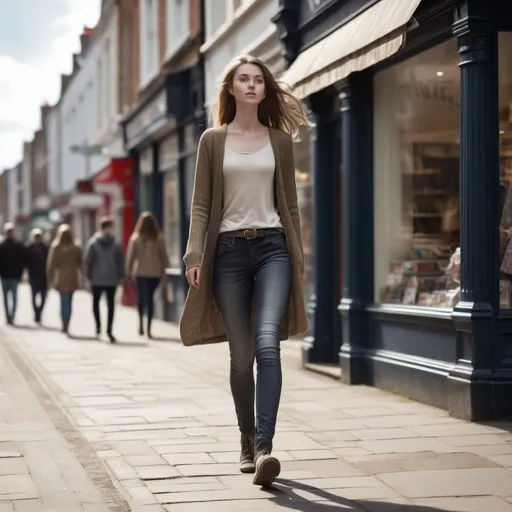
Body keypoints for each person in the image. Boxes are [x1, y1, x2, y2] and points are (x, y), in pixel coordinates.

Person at [179, 54, 309, 487]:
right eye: (243, 79)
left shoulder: (280, 142)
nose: (251, 85)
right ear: (231, 88)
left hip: (273, 248)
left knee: (267, 342)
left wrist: (298, 255)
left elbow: (289, 206)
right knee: (241, 356)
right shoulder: (212, 141)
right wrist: (194, 255)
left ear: (264, 89)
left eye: (258, 79)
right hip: (228, 255)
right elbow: (200, 206)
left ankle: (266, 448)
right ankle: (246, 440)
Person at [126, 212, 169, 338]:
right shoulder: (159, 238)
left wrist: (128, 271)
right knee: (150, 299)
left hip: (140, 273)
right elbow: (164, 256)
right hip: (155, 273)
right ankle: (149, 328)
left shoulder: (135, 238)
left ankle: (140, 323)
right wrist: (167, 268)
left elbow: (131, 256)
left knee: (141, 298)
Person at [84, 216, 124, 342]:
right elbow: (120, 261)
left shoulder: (93, 243)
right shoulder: (116, 243)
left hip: (97, 278)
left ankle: (99, 327)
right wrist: (120, 275)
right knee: (110, 305)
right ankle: (108, 330)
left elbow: (88, 261)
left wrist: (89, 275)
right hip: (111, 278)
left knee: (97, 304)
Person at [46, 224, 83, 335]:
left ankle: (64, 322)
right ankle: (67, 322)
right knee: (69, 302)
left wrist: (50, 278)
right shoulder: (76, 247)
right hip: (72, 278)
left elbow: (51, 264)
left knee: (63, 301)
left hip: (61, 278)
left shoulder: (56, 246)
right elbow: (80, 263)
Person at [0, 222, 27, 324]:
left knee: (7, 297)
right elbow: (23, 261)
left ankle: (9, 316)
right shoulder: (18, 245)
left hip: (7, 275)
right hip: (12, 275)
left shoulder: (3, 246)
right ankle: (11, 316)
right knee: (13, 296)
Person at [26, 228, 49, 324]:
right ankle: (36, 313)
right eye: (36, 237)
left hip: (44, 276)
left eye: (39, 237)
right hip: (33, 276)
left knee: (44, 297)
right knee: (34, 296)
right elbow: (26, 262)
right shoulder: (29, 248)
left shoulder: (46, 248)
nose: (37, 239)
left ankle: (39, 312)